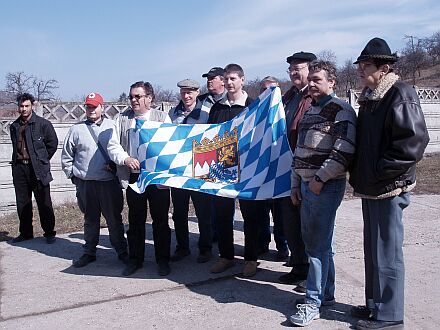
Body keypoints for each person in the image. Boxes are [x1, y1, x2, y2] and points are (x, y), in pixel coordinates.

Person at [349, 38, 429, 330]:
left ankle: (390, 316)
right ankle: (375, 305)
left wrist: (382, 171)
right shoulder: (371, 97)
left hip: (388, 186)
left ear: (384, 68)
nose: (360, 70)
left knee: (388, 253)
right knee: (374, 250)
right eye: (359, 65)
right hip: (371, 186)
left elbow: (413, 143)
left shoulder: (400, 93)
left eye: (365, 65)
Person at [289, 60, 357, 326]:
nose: (312, 84)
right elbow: (299, 152)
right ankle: (325, 294)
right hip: (306, 186)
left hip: (325, 186)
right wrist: (297, 184)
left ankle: (312, 302)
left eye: (318, 80)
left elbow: (344, 150)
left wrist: (319, 179)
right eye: (312, 80)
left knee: (316, 247)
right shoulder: (310, 111)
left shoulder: (341, 110)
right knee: (318, 244)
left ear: (332, 83)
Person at [107, 81, 171, 277]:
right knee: (135, 221)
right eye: (131, 97)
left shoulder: (162, 117)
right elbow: (113, 145)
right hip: (134, 178)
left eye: (138, 96)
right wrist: (125, 158)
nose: (133, 100)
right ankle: (135, 259)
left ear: (149, 98)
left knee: (160, 221)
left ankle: (163, 261)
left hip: (156, 179)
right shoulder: (121, 119)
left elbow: (170, 144)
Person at [207, 63, 264, 277]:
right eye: (227, 79)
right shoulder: (217, 109)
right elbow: (209, 138)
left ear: (242, 79)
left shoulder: (253, 106)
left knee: (251, 216)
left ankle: (251, 259)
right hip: (222, 170)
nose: (230, 83)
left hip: (247, 170)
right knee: (222, 215)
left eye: (233, 79)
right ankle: (226, 256)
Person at [61, 92, 128, 268]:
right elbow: (67, 156)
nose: (91, 110)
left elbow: (121, 150)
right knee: (90, 220)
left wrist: (118, 169)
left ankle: (122, 252)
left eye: (94, 106)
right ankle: (89, 252)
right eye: (88, 106)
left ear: (102, 107)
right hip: (86, 184)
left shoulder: (113, 126)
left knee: (114, 219)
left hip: (108, 183)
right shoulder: (76, 130)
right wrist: (74, 177)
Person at [277, 52, 317, 290]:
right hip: (287, 169)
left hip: (308, 168)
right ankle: (298, 266)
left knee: (308, 225)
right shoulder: (288, 97)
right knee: (291, 222)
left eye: (299, 68)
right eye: (291, 69)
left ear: (310, 70)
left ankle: (312, 273)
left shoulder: (313, 96)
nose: (294, 72)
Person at [165, 79, 213, 263]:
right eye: (184, 92)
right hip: (178, 169)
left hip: (201, 169)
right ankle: (182, 247)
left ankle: (205, 248)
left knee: (203, 212)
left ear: (197, 92)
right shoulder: (172, 114)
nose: (187, 96)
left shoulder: (206, 113)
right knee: (179, 212)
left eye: (191, 92)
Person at [9, 93, 57, 244]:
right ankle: (25, 233)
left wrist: (41, 160)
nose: (23, 109)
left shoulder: (43, 124)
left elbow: (52, 144)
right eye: (21, 106)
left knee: (44, 202)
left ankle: (49, 232)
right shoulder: (14, 126)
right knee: (23, 203)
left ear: (32, 106)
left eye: (26, 106)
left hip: (37, 168)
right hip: (20, 169)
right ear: (18, 107)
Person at [257, 76, 288, 261]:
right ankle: (262, 245)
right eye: (265, 89)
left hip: (280, 168)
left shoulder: (283, 109)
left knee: (280, 215)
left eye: (273, 88)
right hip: (261, 170)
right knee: (261, 214)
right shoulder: (256, 112)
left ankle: (282, 246)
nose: (269, 92)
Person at [198, 66, 227, 242]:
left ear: (222, 80)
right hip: (205, 155)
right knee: (208, 198)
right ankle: (211, 235)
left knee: (224, 198)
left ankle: (224, 233)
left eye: (212, 78)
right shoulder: (202, 100)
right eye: (207, 78)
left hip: (225, 155)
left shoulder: (230, 101)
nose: (209, 81)